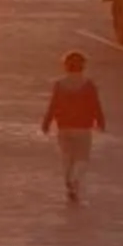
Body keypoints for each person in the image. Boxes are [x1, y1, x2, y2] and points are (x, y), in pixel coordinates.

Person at [42, 51, 107, 204]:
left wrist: (46, 123)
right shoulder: (88, 85)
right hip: (83, 127)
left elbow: (53, 105)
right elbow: (95, 105)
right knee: (82, 158)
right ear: (82, 67)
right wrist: (101, 121)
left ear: (66, 66)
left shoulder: (59, 85)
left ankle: (68, 182)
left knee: (67, 156)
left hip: (64, 126)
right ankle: (75, 180)